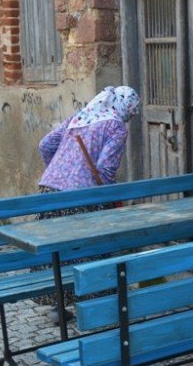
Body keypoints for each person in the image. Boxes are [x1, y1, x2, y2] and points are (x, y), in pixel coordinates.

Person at [33, 86, 139, 317]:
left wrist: (59, 172)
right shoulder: (115, 126)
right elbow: (105, 169)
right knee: (92, 251)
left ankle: (58, 307)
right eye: (131, 113)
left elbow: (45, 145)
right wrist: (109, 196)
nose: (129, 118)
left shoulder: (78, 118)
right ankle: (96, 308)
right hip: (83, 196)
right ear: (124, 108)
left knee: (58, 252)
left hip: (50, 191)